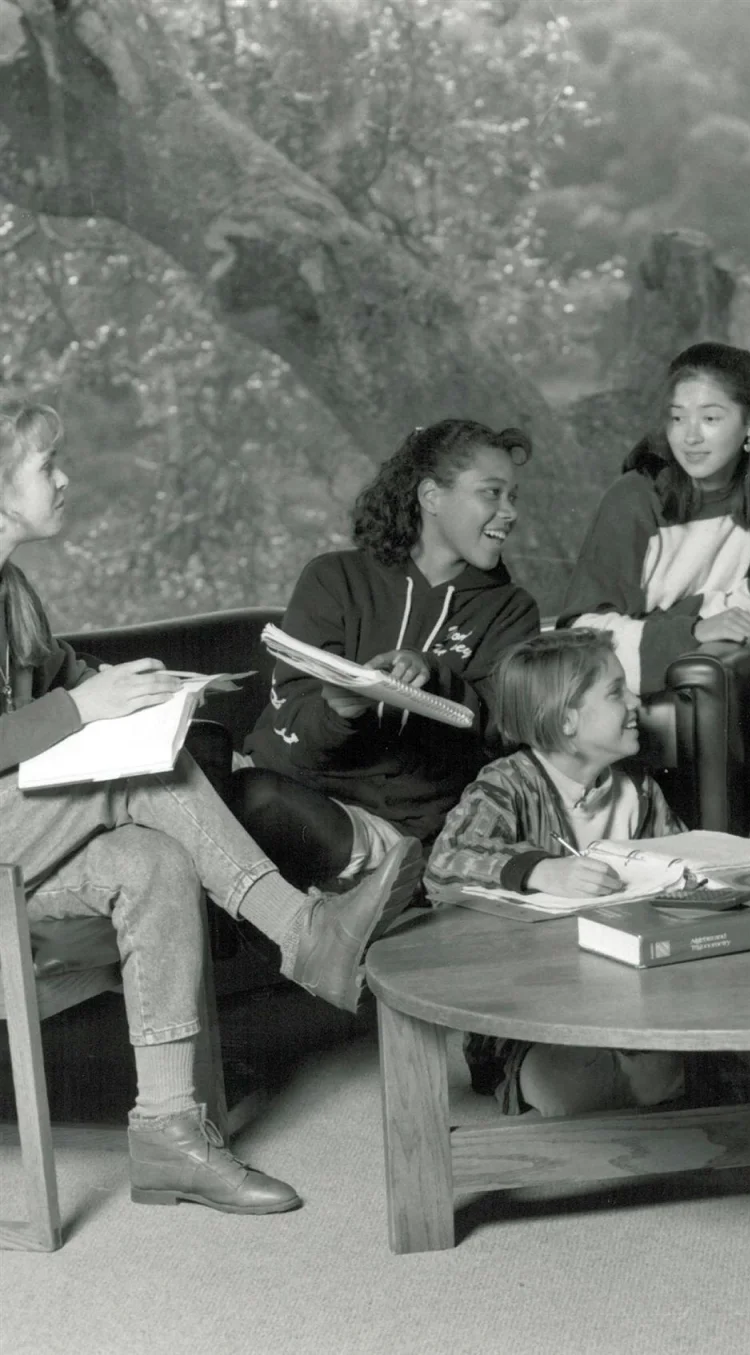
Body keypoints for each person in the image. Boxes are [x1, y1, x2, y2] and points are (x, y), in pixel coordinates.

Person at [0, 402, 423, 1214]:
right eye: (46, 463)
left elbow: (58, 674)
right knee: (141, 775)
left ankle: (168, 1134)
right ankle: (304, 932)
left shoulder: (12, 590)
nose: (64, 477)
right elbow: (60, 713)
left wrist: (144, 686)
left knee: (152, 859)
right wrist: (87, 712)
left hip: (21, 836)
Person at [236, 420, 542, 887]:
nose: (509, 512)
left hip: (396, 834)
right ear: (432, 497)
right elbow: (291, 733)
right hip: (296, 793)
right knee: (222, 774)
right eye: (491, 493)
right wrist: (340, 711)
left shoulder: (511, 611)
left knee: (253, 799)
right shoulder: (333, 579)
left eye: (513, 497)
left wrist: (433, 674)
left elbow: (500, 739)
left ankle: (355, 898)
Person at [425, 628, 686, 1114]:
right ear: (567, 720)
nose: (636, 701)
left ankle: (639, 1072)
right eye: (616, 692)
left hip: (632, 991)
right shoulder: (507, 784)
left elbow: (682, 869)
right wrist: (540, 870)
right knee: (567, 1085)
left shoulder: (641, 792)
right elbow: (443, 864)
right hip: (528, 1008)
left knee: (673, 1062)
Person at [559, 342, 750, 693]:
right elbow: (582, 635)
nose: (689, 437)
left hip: (726, 666)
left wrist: (712, 624)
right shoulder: (633, 499)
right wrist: (694, 630)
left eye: (710, 418)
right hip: (627, 688)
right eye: (677, 418)